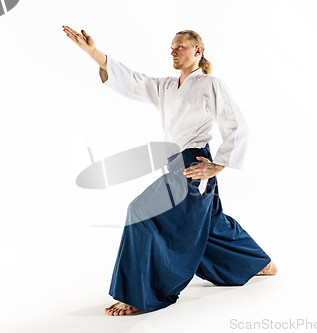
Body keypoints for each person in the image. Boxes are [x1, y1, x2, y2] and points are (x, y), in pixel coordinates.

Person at [62, 26, 278, 316]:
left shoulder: (210, 84)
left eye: (181, 47)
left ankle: (138, 294)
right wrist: (93, 53)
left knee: (140, 212)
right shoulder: (166, 86)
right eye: (172, 47)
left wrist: (218, 165)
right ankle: (258, 262)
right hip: (176, 163)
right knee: (211, 225)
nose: (174, 51)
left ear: (197, 51)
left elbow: (237, 124)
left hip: (193, 167)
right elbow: (132, 80)